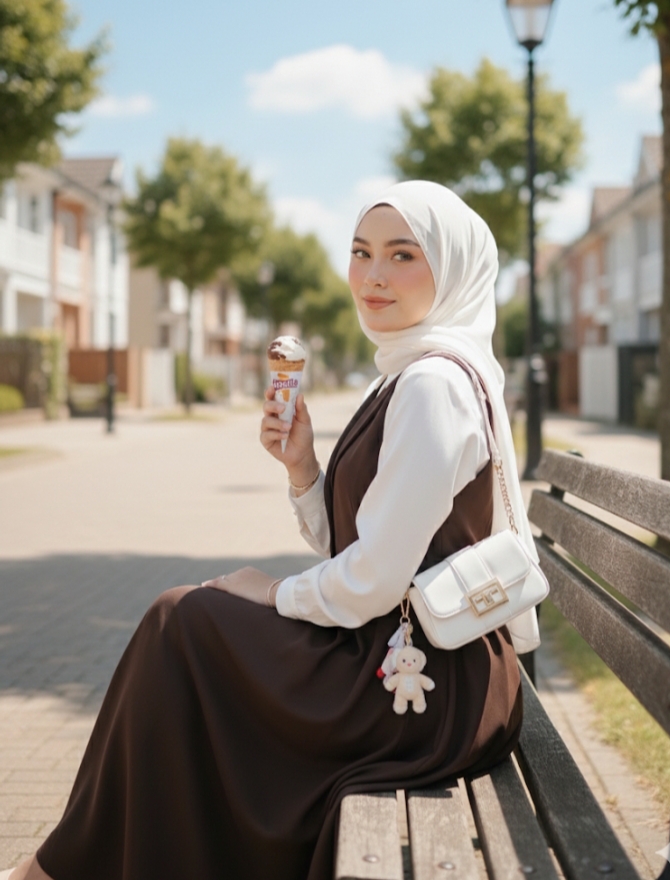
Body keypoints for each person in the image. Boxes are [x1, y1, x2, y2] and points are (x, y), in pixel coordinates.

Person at [4, 180, 540, 880]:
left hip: (428, 687)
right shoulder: (409, 374)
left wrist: (272, 591)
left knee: (184, 624)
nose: (374, 275)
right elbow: (364, 548)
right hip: (411, 655)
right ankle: (68, 866)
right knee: (184, 631)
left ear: (453, 269)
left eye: (403, 255)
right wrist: (303, 469)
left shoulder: (432, 384)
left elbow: (373, 580)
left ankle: (58, 871)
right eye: (360, 252)